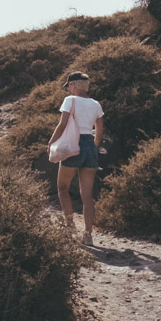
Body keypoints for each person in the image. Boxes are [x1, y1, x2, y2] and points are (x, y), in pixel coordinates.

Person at [49, 71, 104, 244]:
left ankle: (69, 223)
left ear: (74, 85)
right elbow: (99, 132)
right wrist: (92, 146)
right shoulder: (96, 104)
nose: (68, 89)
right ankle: (88, 235)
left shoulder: (70, 101)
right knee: (87, 196)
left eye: (69, 86)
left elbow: (62, 124)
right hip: (89, 146)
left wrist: (51, 142)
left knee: (62, 187)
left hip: (73, 144)